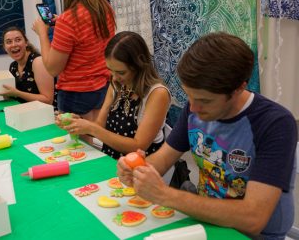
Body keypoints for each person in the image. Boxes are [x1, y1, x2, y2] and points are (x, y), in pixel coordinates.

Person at [116, 32, 297, 239]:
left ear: (239, 89)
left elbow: (253, 219)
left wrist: (165, 195)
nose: (193, 107)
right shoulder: (196, 107)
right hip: (203, 223)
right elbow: (164, 158)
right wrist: (138, 171)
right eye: (189, 96)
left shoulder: (275, 124)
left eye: (205, 100)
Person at [57, 31, 171, 159]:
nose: (115, 77)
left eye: (121, 72)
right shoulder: (117, 85)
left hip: (139, 169)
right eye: (110, 70)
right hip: (110, 161)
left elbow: (138, 146)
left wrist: (91, 128)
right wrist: (78, 123)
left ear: (139, 65)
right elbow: (100, 126)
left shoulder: (157, 94)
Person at [32, 0, 116, 121]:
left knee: (76, 146)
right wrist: (62, 23)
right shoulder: (104, 9)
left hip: (76, 92)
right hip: (103, 87)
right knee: (97, 142)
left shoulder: (68, 20)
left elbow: (52, 68)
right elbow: (87, 38)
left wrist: (42, 33)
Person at [0, 26, 54, 105]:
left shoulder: (38, 62)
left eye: (18, 40)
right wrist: (5, 92)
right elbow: (11, 99)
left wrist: (18, 93)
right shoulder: (13, 66)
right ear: (5, 47)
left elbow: (48, 100)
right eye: (9, 42)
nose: (13, 45)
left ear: (26, 43)